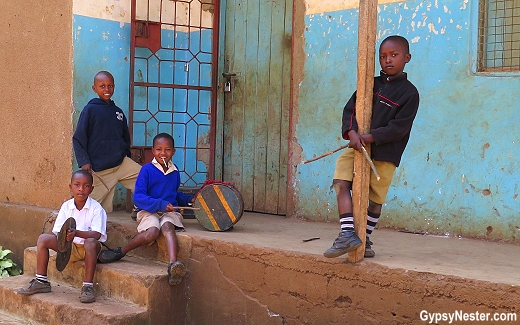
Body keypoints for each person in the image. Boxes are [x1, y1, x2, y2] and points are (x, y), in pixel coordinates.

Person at [323, 35, 420, 259]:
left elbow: (399, 128)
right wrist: (353, 133)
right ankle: (347, 233)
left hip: (386, 154)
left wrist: (369, 137)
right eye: (383, 56)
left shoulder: (409, 93)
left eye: (394, 55)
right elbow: (350, 111)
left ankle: (364, 238)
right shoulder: (369, 84)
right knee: (341, 182)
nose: (388, 60)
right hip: (356, 148)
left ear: (407, 58)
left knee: (375, 200)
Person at [98, 133, 194, 286]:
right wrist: (161, 204)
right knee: (152, 232)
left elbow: (174, 193)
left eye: (167, 150)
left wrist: (189, 200)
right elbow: (139, 197)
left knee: (168, 227)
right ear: (153, 151)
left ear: (173, 152)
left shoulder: (175, 172)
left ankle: (173, 265)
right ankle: (121, 251)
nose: (163, 153)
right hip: (148, 210)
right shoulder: (146, 170)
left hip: (168, 212)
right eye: (159, 149)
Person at [17, 170, 108, 303]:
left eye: (86, 186)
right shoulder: (66, 206)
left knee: (90, 242)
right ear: (70, 187)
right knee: (43, 239)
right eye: (77, 185)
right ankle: (41, 281)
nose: (81, 189)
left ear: (91, 189)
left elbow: (97, 234)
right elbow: (58, 231)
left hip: (87, 249)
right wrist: (65, 237)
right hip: (69, 246)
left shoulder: (96, 208)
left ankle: (88, 287)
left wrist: (77, 233)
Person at [73, 70, 141, 214]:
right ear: (94, 88)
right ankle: (75, 229)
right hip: (100, 170)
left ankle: (143, 207)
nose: (107, 89)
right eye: (102, 86)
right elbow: (78, 138)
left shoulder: (118, 112)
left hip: (121, 164)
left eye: (110, 86)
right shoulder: (90, 110)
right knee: (92, 209)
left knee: (145, 179)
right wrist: (84, 161)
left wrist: (126, 156)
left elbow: (124, 138)